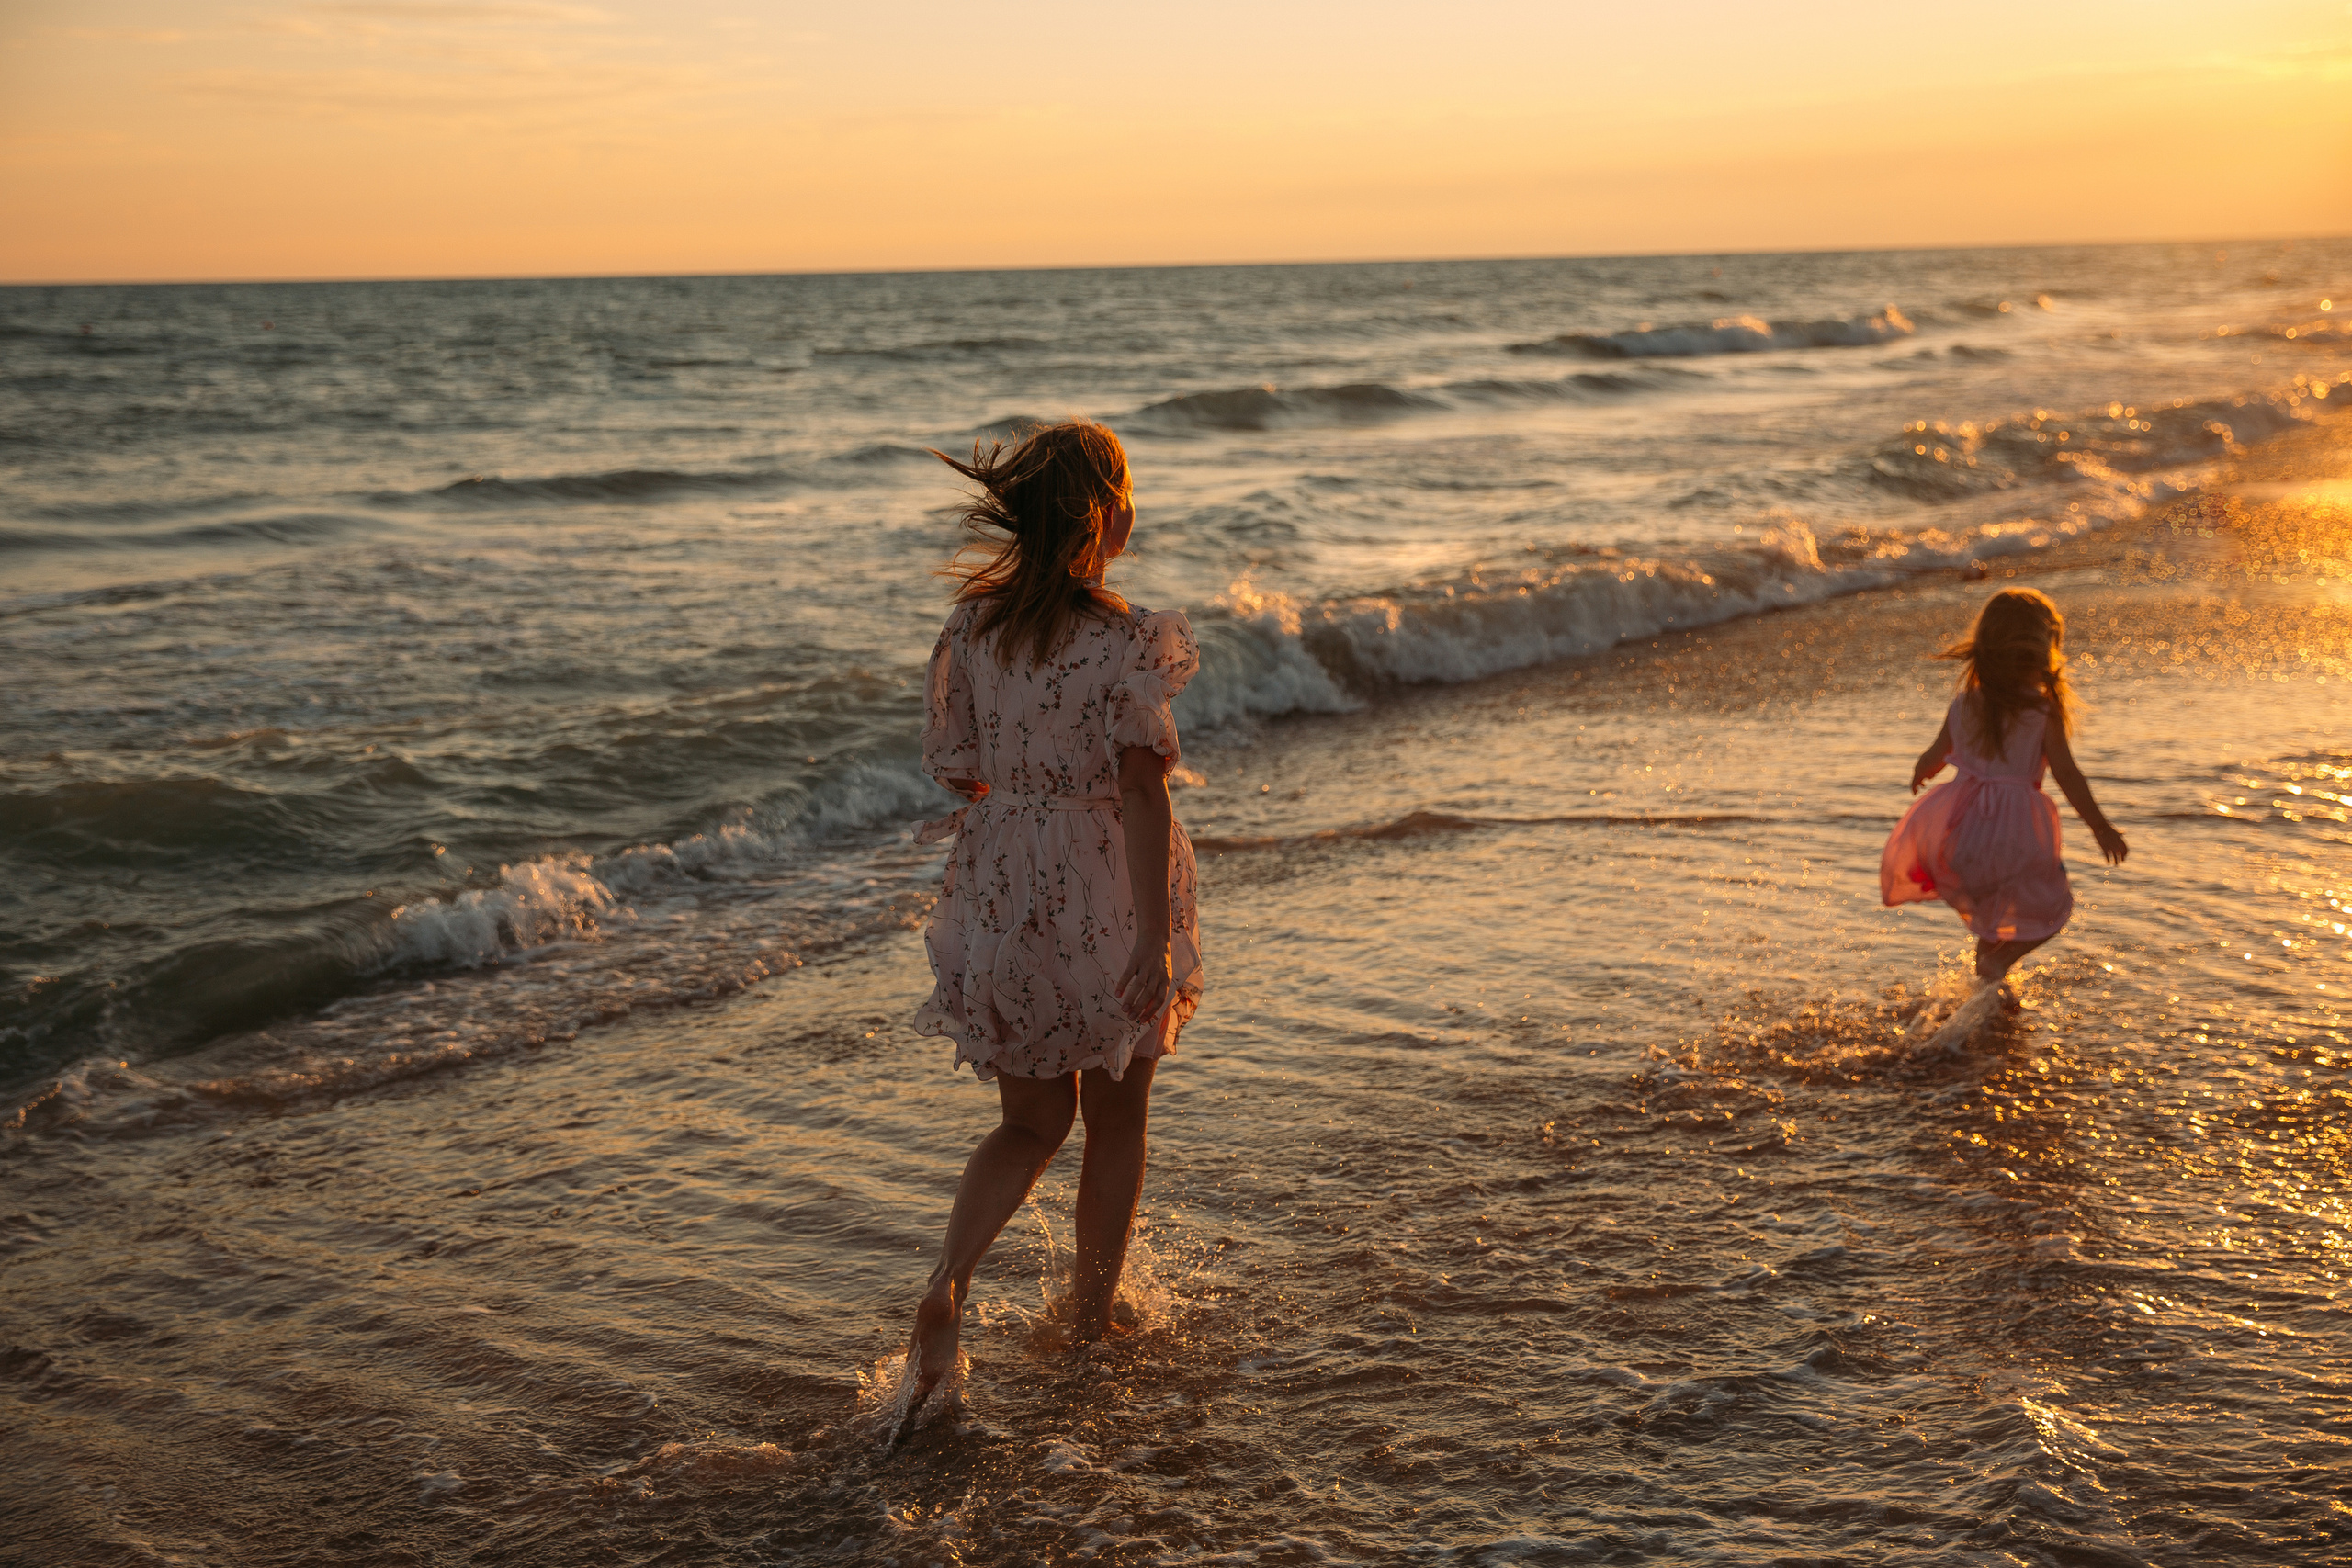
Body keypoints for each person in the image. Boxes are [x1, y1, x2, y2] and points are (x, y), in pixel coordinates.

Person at [901, 419, 1204, 1420]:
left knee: (1030, 1121)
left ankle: (948, 1277)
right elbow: (1144, 792)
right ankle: (1086, 1321)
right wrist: (1154, 936)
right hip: (1106, 876)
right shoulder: (1129, 641)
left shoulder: (974, 630)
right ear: (1111, 520)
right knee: (1116, 1112)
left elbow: (960, 762)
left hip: (1001, 875)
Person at [1882, 586, 2128, 996]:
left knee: (1993, 917)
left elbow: (1933, 756)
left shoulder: (1965, 703)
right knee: (2054, 907)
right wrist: (2101, 828)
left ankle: (1989, 988)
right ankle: (2001, 963)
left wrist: (1921, 774)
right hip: (2018, 838)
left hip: (1963, 838)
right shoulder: (2042, 709)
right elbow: (2067, 774)